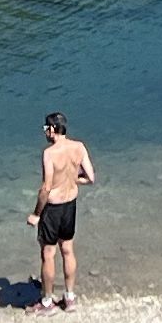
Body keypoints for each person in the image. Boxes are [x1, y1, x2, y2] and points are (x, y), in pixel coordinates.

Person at [28, 111, 97, 308]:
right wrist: (73, 179)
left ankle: (47, 302)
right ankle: (69, 297)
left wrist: (36, 214)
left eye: (45, 129)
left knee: (48, 254)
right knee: (67, 249)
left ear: (52, 130)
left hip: (53, 208)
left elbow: (46, 188)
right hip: (70, 205)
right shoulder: (79, 147)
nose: (44, 132)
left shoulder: (49, 154)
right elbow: (91, 178)